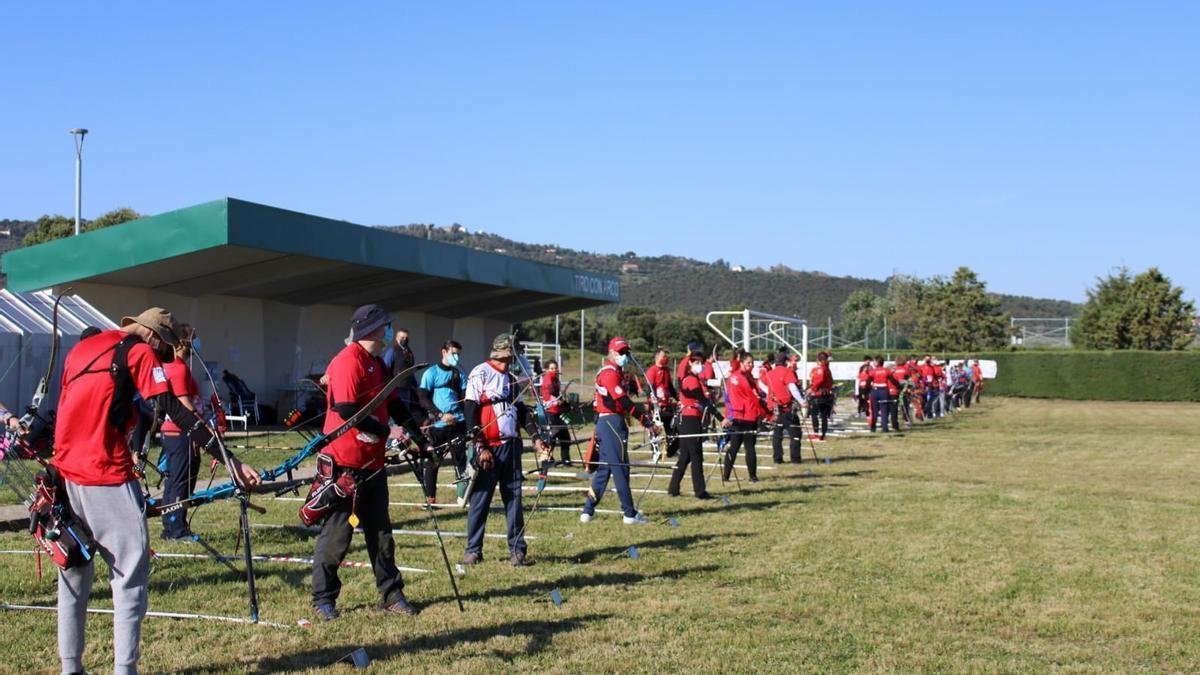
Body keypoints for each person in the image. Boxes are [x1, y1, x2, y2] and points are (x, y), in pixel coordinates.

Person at [51, 308, 260, 675]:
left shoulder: (80, 350)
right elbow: (173, 411)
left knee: (74, 575)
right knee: (130, 578)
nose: (161, 359)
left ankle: (71, 668)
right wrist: (231, 461)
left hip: (68, 477)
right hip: (106, 477)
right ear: (154, 337)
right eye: (164, 350)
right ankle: (124, 669)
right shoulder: (137, 350)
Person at [313, 304, 420, 620]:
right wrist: (388, 431)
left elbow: (394, 401)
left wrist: (419, 429)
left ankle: (391, 594)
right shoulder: (347, 361)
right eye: (386, 326)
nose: (389, 331)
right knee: (337, 535)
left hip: (372, 464)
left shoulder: (377, 363)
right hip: (344, 463)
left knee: (381, 533)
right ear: (372, 329)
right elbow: (347, 411)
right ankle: (323, 600)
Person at [461, 333, 551, 566]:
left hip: (511, 448)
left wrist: (536, 438)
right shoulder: (481, 372)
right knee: (481, 499)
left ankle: (517, 550)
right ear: (506, 353)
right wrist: (480, 446)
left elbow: (522, 413)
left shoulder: (510, 379)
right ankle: (473, 550)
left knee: (514, 498)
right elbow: (470, 411)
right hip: (488, 448)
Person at [581, 337, 660, 525]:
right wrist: (646, 422)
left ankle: (588, 511)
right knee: (621, 469)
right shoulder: (609, 373)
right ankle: (629, 514)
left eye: (626, 352)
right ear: (613, 353)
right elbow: (623, 401)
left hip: (610, 423)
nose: (625, 356)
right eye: (622, 352)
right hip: (611, 423)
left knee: (605, 469)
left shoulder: (616, 371)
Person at [158, 324, 206, 540]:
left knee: (173, 479)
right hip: (180, 432)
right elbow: (184, 403)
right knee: (181, 480)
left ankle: (170, 526)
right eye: (193, 338)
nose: (196, 342)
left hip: (173, 433)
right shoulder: (177, 368)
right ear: (182, 342)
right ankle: (177, 529)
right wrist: (201, 429)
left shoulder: (172, 367)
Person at [416, 340, 467, 504]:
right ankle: (430, 498)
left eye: (458, 354)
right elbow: (423, 398)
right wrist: (439, 415)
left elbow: (465, 400)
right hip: (438, 426)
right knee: (432, 461)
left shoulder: (459, 374)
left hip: (457, 424)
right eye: (453, 353)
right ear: (443, 352)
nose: (456, 357)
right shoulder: (431, 373)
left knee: (460, 460)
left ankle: (462, 496)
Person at [668, 350, 717, 499]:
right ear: (690, 363)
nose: (700, 366)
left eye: (701, 363)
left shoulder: (694, 378)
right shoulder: (690, 379)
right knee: (696, 456)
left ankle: (673, 488)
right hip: (689, 420)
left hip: (690, 419)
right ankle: (700, 491)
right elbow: (702, 399)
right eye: (697, 363)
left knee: (685, 457)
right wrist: (720, 417)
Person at [723, 350, 767, 482]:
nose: (751, 365)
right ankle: (751, 476)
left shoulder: (739, 377)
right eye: (748, 363)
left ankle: (728, 476)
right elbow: (752, 397)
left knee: (737, 447)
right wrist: (765, 413)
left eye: (752, 363)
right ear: (741, 362)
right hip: (745, 416)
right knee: (746, 447)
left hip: (740, 415)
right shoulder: (740, 378)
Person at [765, 351, 804, 463]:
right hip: (787, 409)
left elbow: (761, 384)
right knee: (795, 434)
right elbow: (793, 388)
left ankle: (777, 458)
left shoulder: (770, 373)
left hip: (775, 409)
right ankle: (795, 458)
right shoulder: (787, 372)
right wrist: (802, 401)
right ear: (786, 361)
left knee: (777, 435)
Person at [644, 348, 679, 458]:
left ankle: (671, 449)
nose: (665, 359)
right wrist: (654, 403)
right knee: (656, 429)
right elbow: (650, 388)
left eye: (666, 357)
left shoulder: (667, 370)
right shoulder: (652, 371)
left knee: (671, 428)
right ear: (657, 357)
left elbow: (670, 387)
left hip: (666, 405)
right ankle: (655, 451)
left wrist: (678, 399)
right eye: (663, 356)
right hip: (656, 405)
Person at [540, 360, 574, 465]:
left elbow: (558, 395)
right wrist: (558, 401)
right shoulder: (547, 377)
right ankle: (548, 459)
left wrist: (566, 406)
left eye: (555, 368)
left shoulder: (556, 379)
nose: (554, 370)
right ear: (546, 369)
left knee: (565, 438)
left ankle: (566, 460)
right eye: (551, 368)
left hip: (558, 411)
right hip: (551, 412)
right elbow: (550, 392)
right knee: (552, 438)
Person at [867, 356, 899, 433]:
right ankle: (885, 428)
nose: (873, 363)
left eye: (874, 361)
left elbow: (868, 382)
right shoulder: (887, 371)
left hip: (875, 391)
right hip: (884, 391)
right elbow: (893, 381)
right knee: (884, 410)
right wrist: (899, 386)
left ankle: (873, 428)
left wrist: (869, 390)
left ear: (877, 362)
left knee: (874, 410)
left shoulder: (873, 371)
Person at [808, 351, 834, 440]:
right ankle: (823, 434)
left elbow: (820, 380)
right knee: (823, 415)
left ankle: (816, 433)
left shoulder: (820, 368)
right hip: (826, 393)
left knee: (814, 414)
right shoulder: (828, 369)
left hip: (819, 394)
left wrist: (812, 388)